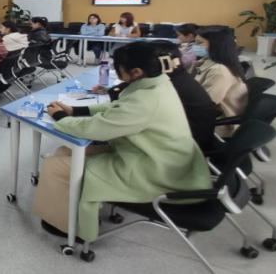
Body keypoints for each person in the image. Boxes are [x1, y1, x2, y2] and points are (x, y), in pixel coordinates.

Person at [32, 42, 211, 244]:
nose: (116, 71)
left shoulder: (146, 100)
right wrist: (76, 111)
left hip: (155, 169)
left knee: (56, 165)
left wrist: (60, 117)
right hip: (156, 156)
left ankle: (73, 229)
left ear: (136, 72)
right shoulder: (158, 83)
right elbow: (119, 106)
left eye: (118, 68)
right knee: (65, 151)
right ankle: (68, 213)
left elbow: (97, 128)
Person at [149, 40, 221, 151]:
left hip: (191, 141)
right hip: (192, 133)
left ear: (163, 62)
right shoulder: (177, 76)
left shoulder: (168, 84)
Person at [191, 26, 249, 125]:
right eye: (195, 42)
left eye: (199, 43)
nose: (194, 46)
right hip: (207, 113)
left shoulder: (219, 71)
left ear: (216, 45)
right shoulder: (208, 60)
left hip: (217, 122)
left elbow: (206, 104)